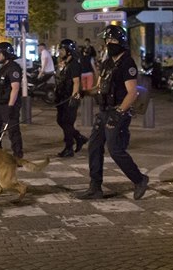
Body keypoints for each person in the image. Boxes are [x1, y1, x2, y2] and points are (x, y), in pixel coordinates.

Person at [75, 25, 149, 200]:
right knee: (94, 146)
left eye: (113, 40)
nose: (109, 43)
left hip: (118, 111)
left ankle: (139, 179)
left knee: (115, 150)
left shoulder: (127, 63)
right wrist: (84, 92)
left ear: (121, 42)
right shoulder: (108, 62)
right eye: (107, 40)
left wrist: (119, 112)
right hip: (104, 111)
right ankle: (95, 188)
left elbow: (132, 92)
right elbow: (100, 87)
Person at [0, 42, 23, 159]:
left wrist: (11, 107)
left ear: (5, 53)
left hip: (9, 103)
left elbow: (15, 88)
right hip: (0, 103)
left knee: (13, 130)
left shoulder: (13, 68)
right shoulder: (3, 68)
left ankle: (18, 155)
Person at [55, 39, 88, 157]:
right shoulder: (65, 64)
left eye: (62, 49)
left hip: (69, 98)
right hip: (62, 97)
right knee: (60, 120)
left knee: (67, 123)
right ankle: (79, 137)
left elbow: (76, 82)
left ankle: (69, 148)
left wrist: (73, 97)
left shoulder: (74, 64)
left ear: (69, 51)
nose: (60, 51)